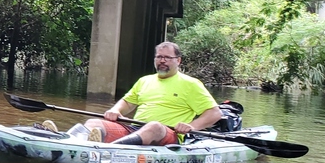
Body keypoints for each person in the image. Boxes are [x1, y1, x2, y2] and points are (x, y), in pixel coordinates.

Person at [84, 41, 222, 145]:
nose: (162, 61)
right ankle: (71, 143)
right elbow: (127, 102)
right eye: (159, 57)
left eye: (167, 57)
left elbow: (215, 113)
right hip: (135, 129)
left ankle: (109, 149)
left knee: (154, 126)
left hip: (168, 134)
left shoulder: (191, 84)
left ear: (178, 60)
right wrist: (115, 110)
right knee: (93, 122)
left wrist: (192, 126)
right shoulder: (144, 80)